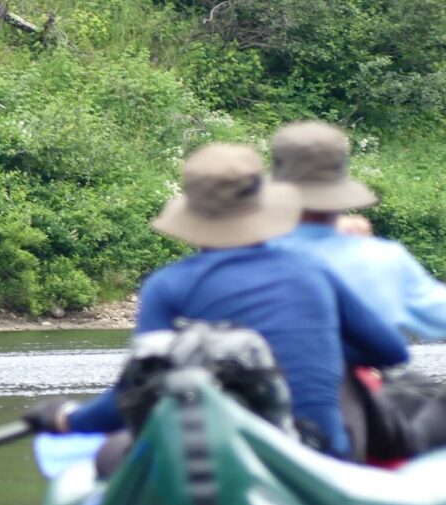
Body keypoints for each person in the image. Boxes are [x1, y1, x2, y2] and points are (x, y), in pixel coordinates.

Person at [23, 143, 408, 460]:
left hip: (217, 458)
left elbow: (133, 397)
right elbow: (391, 351)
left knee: (111, 455)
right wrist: (314, 343)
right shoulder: (312, 270)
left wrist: (65, 418)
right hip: (322, 454)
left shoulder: (170, 286)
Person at [270, 121, 446, 459]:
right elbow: (407, 341)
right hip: (356, 412)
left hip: (265, 401)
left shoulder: (248, 256)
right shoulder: (382, 258)